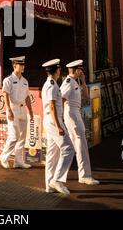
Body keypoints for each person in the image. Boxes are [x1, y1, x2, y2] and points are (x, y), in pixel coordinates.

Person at [61, 60, 99, 185]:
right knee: (80, 144)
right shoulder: (68, 82)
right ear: (76, 70)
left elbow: (85, 96)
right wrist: (60, 117)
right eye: (80, 69)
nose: (82, 71)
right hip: (72, 114)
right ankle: (84, 175)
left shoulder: (75, 82)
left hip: (75, 113)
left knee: (75, 145)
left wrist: (83, 81)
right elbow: (61, 99)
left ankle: (62, 176)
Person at [42, 59, 74, 195]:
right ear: (56, 71)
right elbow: (52, 106)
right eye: (59, 69)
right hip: (53, 121)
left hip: (50, 120)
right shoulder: (52, 85)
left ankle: (49, 185)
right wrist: (58, 125)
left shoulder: (50, 84)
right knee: (68, 149)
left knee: (52, 153)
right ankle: (58, 180)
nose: (60, 71)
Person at [0, 56, 34, 169]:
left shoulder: (25, 81)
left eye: (23, 65)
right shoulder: (8, 80)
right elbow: (5, 94)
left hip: (22, 108)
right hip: (13, 108)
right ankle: (4, 157)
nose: (23, 67)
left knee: (22, 136)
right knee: (14, 136)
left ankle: (18, 161)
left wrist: (30, 111)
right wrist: (8, 109)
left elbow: (27, 97)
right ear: (14, 65)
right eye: (20, 65)